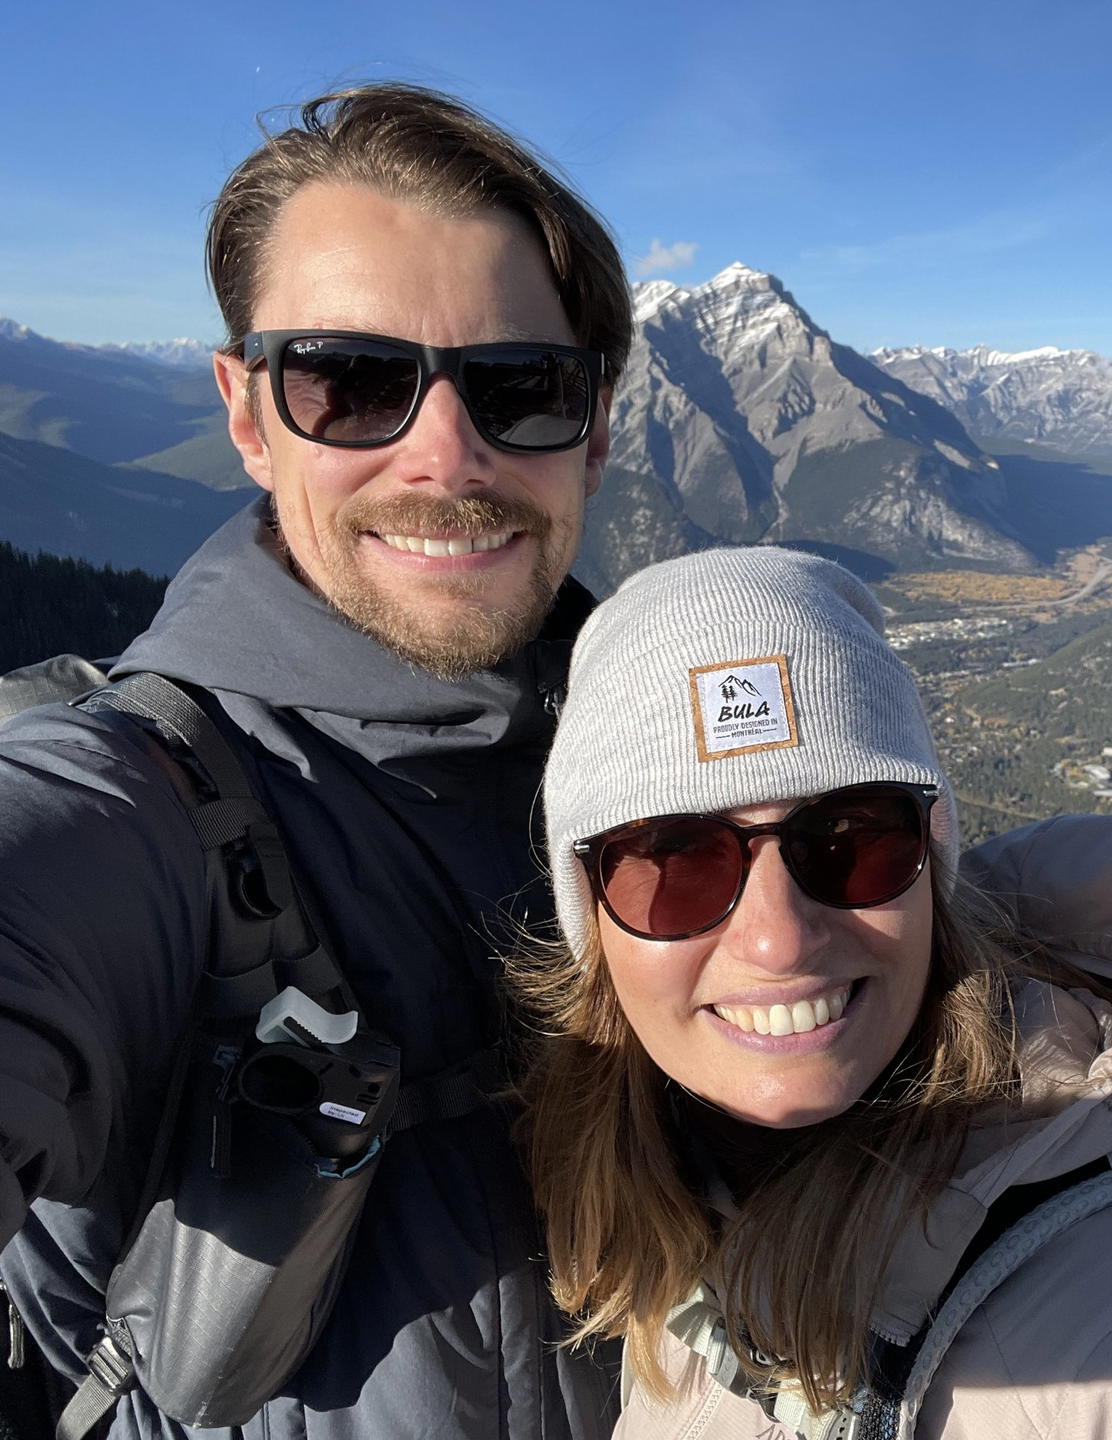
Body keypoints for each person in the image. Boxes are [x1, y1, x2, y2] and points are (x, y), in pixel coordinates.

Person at [0, 85, 630, 1438]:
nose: (444, 456)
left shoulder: (673, 782)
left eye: (521, 387)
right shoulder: (142, 819)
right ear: (246, 411)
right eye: (350, 383)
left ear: (598, 424)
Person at [518, 545, 1112, 1439]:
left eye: (853, 839)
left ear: (931, 866)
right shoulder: (681, 1194)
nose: (777, 936)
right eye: (676, 863)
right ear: (589, 918)